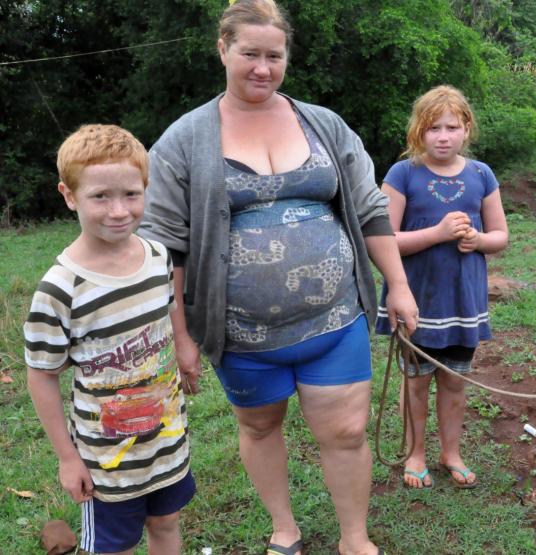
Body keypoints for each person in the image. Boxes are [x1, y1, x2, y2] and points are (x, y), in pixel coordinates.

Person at [138, 1, 417, 554]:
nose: (262, 68)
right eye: (249, 54)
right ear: (222, 50)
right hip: (240, 335)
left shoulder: (325, 125)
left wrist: (399, 285)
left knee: (346, 433)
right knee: (261, 428)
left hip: (334, 321)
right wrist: (182, 333)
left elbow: (369, 209)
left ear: (287, 55)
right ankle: (284, 527)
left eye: (274, 55)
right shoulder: (183, 140)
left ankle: (354, 540)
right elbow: (165, 245)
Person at [24, 124, 198, 555]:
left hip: (166, 438)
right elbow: (42, 376)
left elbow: (169, 312)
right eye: (100, 197)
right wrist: (68, 458)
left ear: (146, 189)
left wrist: (183, 346)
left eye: (131, 195)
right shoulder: (60, 289)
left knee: (167, 521)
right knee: (113, 545)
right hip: (107, 461)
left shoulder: (158, 256)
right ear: (69, 195)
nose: (119, 211)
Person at [376, 85, 509, 489]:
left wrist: (479, 241)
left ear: (467, 128)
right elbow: (384, 238)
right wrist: (436, 233)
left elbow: (501, 235)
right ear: (419, 130)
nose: (443, 136)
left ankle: (450, 451)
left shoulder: (481, 175)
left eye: (452, 126)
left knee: (455, 380)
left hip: (463, 301)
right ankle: (415, 453)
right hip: (416, 297)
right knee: (415, 380)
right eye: (434, 127)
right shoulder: (403, 174)